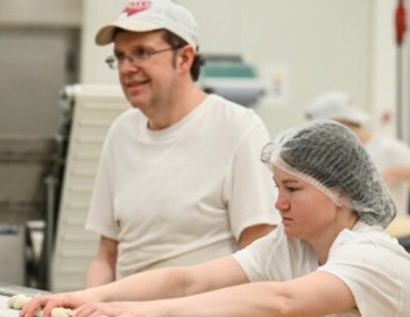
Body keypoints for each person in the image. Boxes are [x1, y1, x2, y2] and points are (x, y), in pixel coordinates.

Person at [23, 120, 410, 317]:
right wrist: (85, 297)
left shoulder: (372, 256)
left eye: (293, 189)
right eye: (277, 187)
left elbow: (283, 303)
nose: (278, 203)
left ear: (341, 192)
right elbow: (190, 282)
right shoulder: (293, 246)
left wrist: (150, 312)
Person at [84, 0, 279, 287]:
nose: (126, 68)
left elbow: (260, 256)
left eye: (142, 53)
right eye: (120, 56)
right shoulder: (121, 132)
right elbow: (106, 255)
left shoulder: (238, 129)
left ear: (185, 58)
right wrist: (91, 311)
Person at [305, 91, 410, 216]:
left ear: (339, 122)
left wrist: (397, 172)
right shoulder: (334, 154)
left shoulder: (387, 148)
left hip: (388, 234)